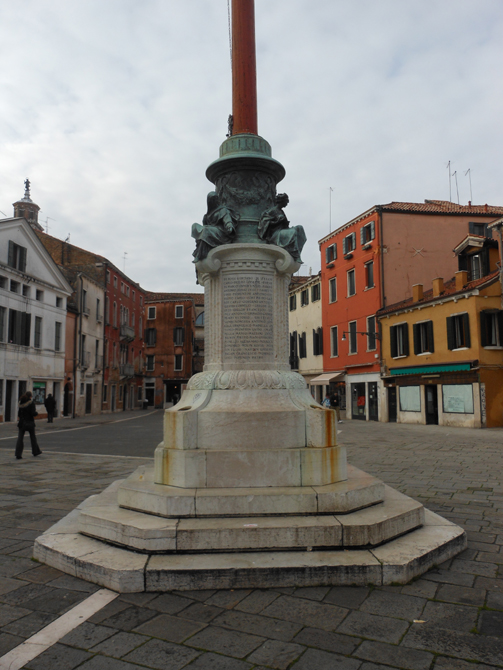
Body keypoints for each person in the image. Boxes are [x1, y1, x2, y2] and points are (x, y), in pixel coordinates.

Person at [15, 392, 42, 459]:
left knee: (20, 438)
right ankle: (35, 451)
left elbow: (19, 413)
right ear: (30, 396)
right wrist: (36, 413)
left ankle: (18, 454)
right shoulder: (31, 403)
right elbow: (33, 413)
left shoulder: (21, 403)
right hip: (29, 422)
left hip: (22, 422)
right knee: (33, 437)